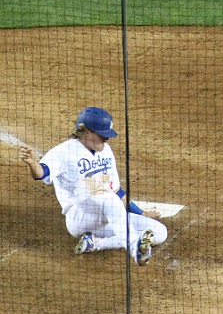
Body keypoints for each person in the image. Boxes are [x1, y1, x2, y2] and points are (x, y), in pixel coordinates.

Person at [19, 107, 167, 265]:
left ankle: (95, 243)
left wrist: (142, 213)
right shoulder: (63, 152)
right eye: (102, 135)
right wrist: (32, 164)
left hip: (105, 216)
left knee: (158, 232)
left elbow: (117, 191)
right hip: (80, 216)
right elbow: (42, 173)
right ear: (87, 131)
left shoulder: (106, 151)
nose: (106, 139)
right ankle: (133, 248)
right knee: (108, 198)